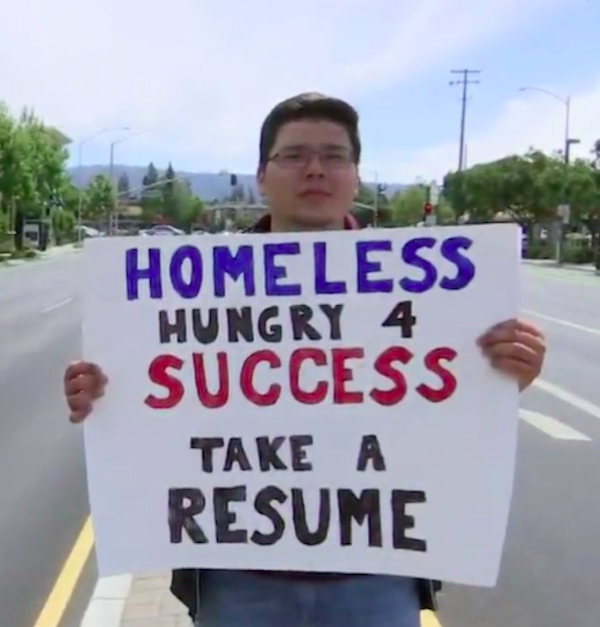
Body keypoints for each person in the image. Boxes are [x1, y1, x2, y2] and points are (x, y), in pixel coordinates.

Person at [63, 92, 547, 627]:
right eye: (293, 155)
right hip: (237, 579)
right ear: (262, 176)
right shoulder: (192, 293)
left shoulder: (427, 293)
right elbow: (163, 411)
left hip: (377, 579)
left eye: (334, 155)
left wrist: (498, 379)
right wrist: (110, 395)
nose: (315, 169)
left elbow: (441, 413)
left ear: (356, 176)